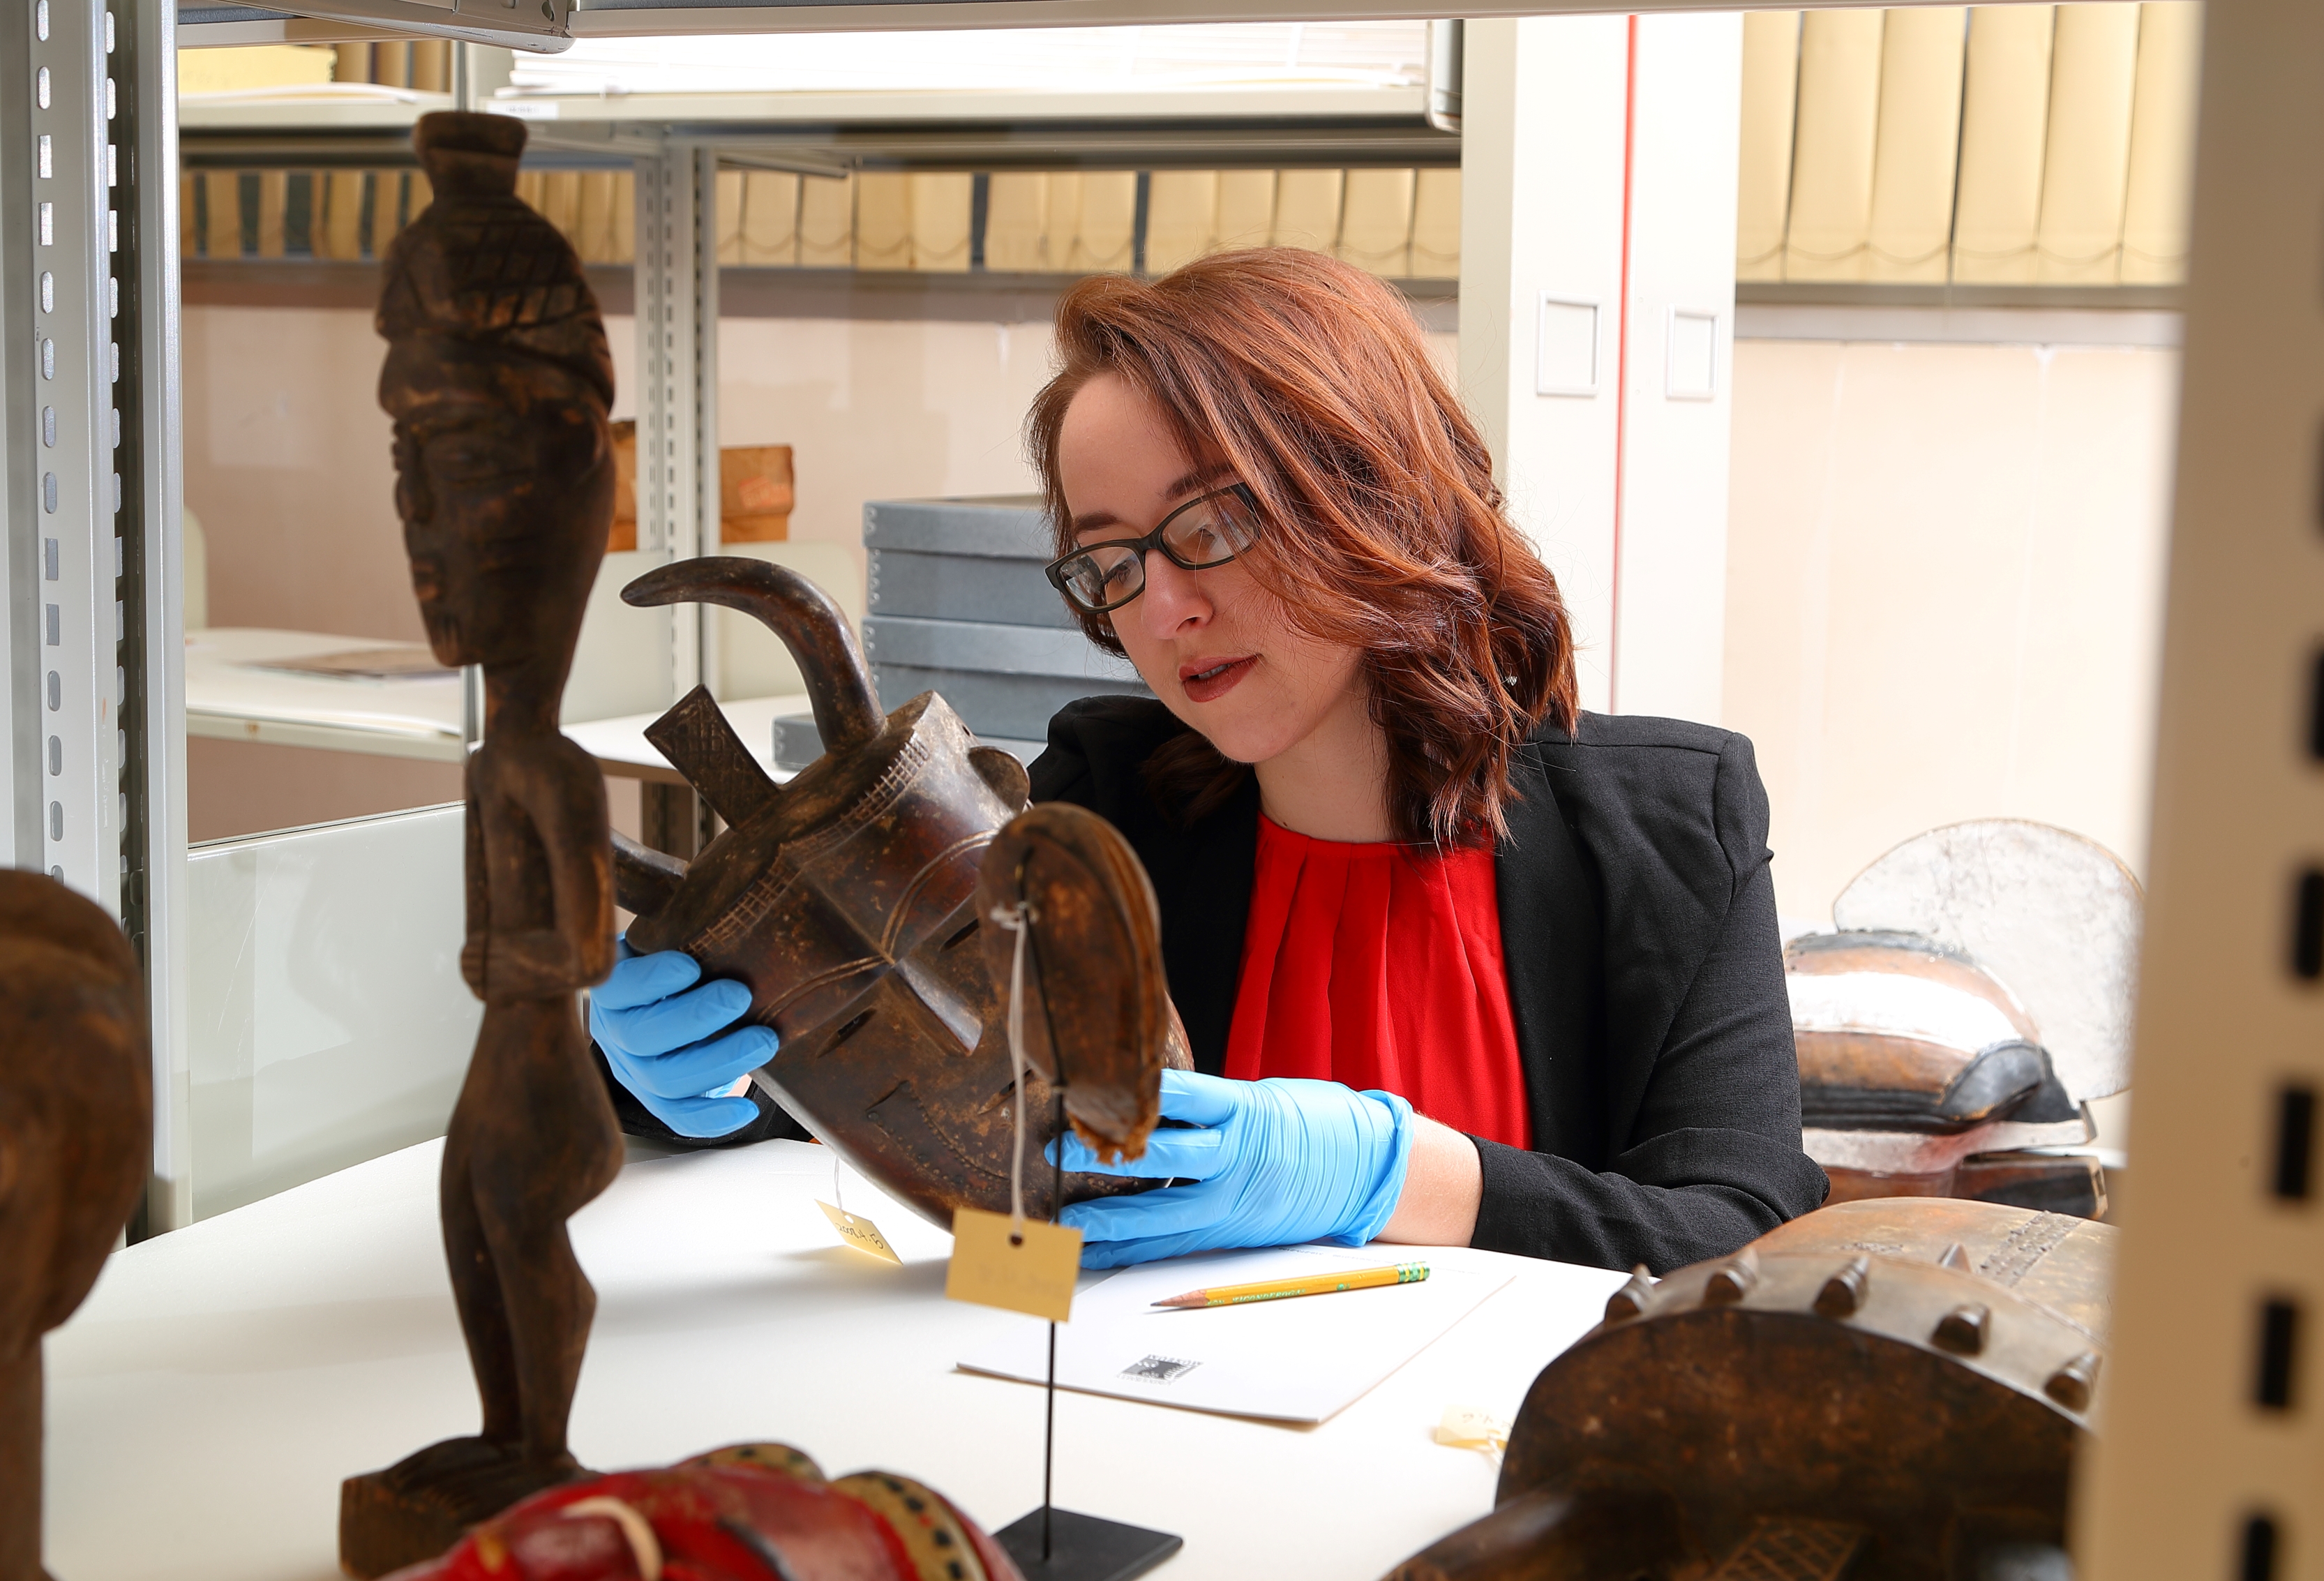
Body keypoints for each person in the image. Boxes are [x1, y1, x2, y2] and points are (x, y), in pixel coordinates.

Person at [592, 248, 1827, 1273]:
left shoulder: (1674, 825)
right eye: (1111, 558)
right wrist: (686, 1079)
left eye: (1215, 520)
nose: (1164, 606)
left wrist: (1393, 1173)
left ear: (1376, 491)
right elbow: (961, 1147)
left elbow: (1748, 1239)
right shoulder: (1102, 810)